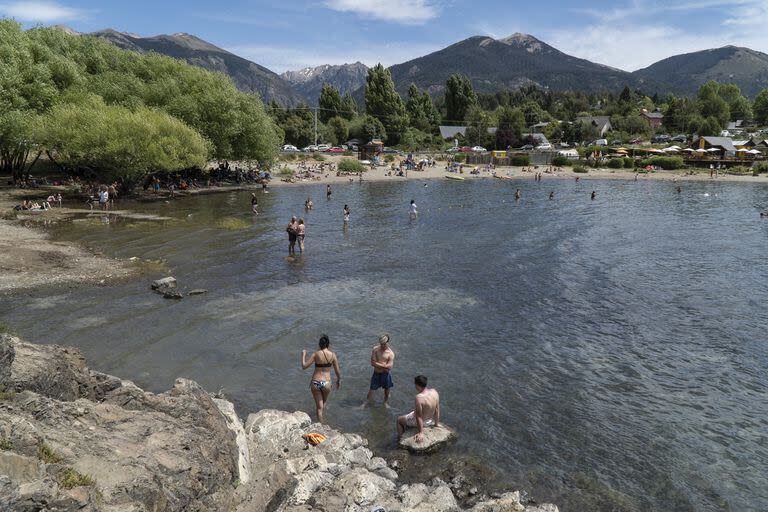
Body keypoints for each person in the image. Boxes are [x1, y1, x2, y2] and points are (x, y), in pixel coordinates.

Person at [301, 335, 341, 423]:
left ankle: (321, 424)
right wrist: (338, 380)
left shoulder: (316, 354)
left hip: (316, 382)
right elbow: (337, 371)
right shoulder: (333, 355)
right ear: (328, 344)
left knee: (319, 407)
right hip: (326, 383)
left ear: (319, 344)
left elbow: (304, 366)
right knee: (323, 404)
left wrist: (303, 355)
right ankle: (322, 420)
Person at [397, 375, 440, 443]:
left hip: (422, 422)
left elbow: (419, 417)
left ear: (418, 385)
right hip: (430, 421)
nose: (415, 386)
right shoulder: (434, 392)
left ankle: (400, 440)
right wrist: (436, 424)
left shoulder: (419, 398)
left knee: (399, 420)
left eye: (415, 384)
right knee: (412, 412)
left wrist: (421, 432)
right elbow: (437, 409)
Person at [367, 334, 395, 406]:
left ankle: (385, 402)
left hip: (386, 374)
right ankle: (366, 403)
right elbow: (372, 363)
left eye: (384, 344)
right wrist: (384, 365)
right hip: (376, 373)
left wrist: (378, 364)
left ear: (387, 342)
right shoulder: (375, 349)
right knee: (371, 389)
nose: (382, 345)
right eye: (381, 344)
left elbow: (389, 367)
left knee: (387, 390)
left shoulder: (390, 353)